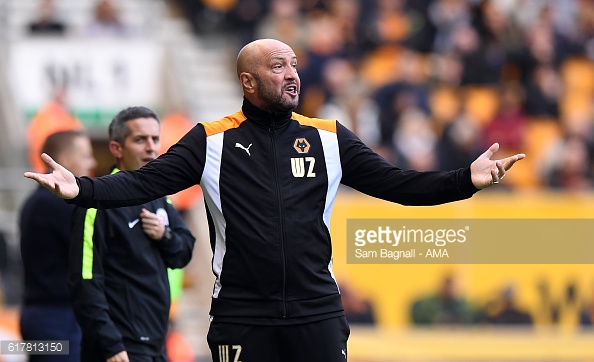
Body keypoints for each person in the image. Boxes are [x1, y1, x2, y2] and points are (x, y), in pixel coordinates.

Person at [25, 39, 525, 362]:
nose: (292, 74)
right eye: (278, 65)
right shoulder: (211, 139)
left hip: (317, 312)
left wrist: (467, 179)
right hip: (243, 314)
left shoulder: (329, 136)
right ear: (248, 81)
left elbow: (399, 185)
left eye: (294, 64)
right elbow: (143, 183)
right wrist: (82, 190)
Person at [67, 107, 196, 362]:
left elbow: (184, 251)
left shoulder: (159, 197)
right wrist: (111, 344)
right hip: (121, 348)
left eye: (155, 139)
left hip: (157, 343)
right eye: (140, 139)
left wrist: (164, 235)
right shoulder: (97, 202)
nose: (151, 147)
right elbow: (84, 281)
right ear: (116, 148)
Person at [19, 130, 97, 362]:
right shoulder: (55, 204)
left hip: (47, 318)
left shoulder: (38, 201)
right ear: (63, 159)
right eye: (86, 156)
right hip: (55, 322)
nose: (92, 163)